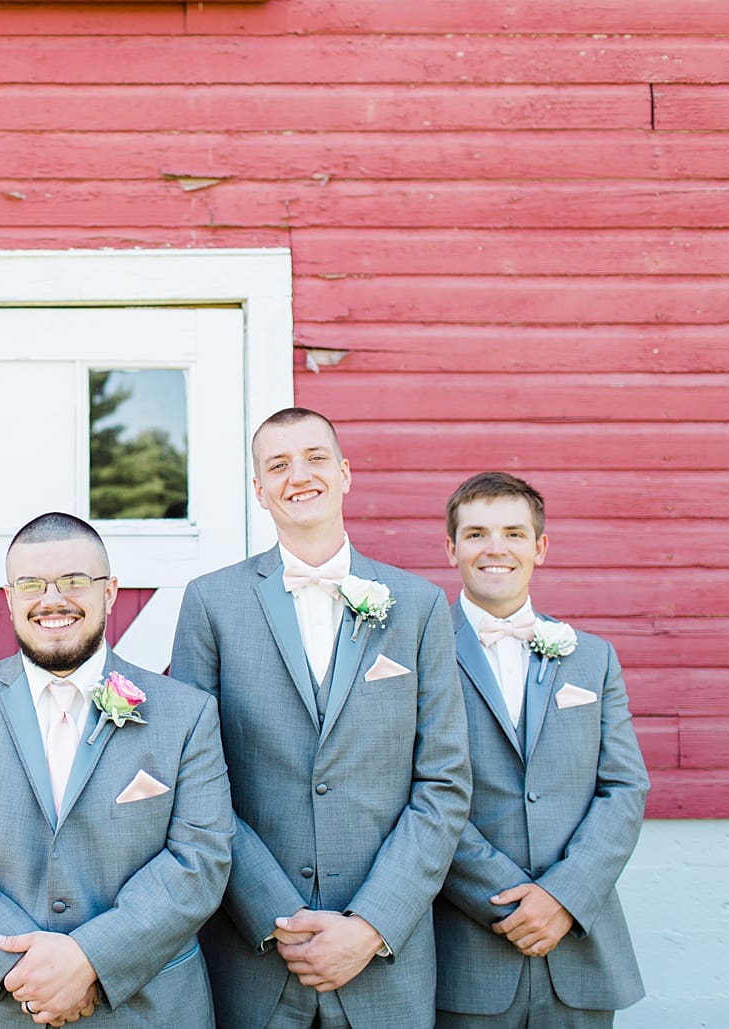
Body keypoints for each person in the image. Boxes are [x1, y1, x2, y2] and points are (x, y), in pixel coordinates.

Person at [170, 407, 472, 1029]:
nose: (297, 475)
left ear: (344, 473)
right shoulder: (211, 602)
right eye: (277, 465)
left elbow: (443, 783)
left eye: (313, 458)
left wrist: (370, 924)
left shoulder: (416, 606)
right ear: (258, 489)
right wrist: (276, 917)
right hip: (253, 954)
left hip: (385, 954)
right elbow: (194, 781)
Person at [0, 512, 233, 1027]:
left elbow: (200, 860)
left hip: (141, 1007)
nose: (52, 599)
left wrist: (90, 961)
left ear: (110, 591)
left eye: (75, 580)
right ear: (9, 598)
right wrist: (32, 974)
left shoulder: (187, 714)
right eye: (31, 584)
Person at [435, 471, 648, 1027]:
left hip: (578, 939)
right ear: (451, 547)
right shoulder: (421, 652)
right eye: (477, 533)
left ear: (540, 547)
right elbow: (414, 787)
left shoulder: (592, 658)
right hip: (464, 949)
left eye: (513, 532)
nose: (496, 548)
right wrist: (507, 897)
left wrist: (563, 896)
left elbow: (624, 788)